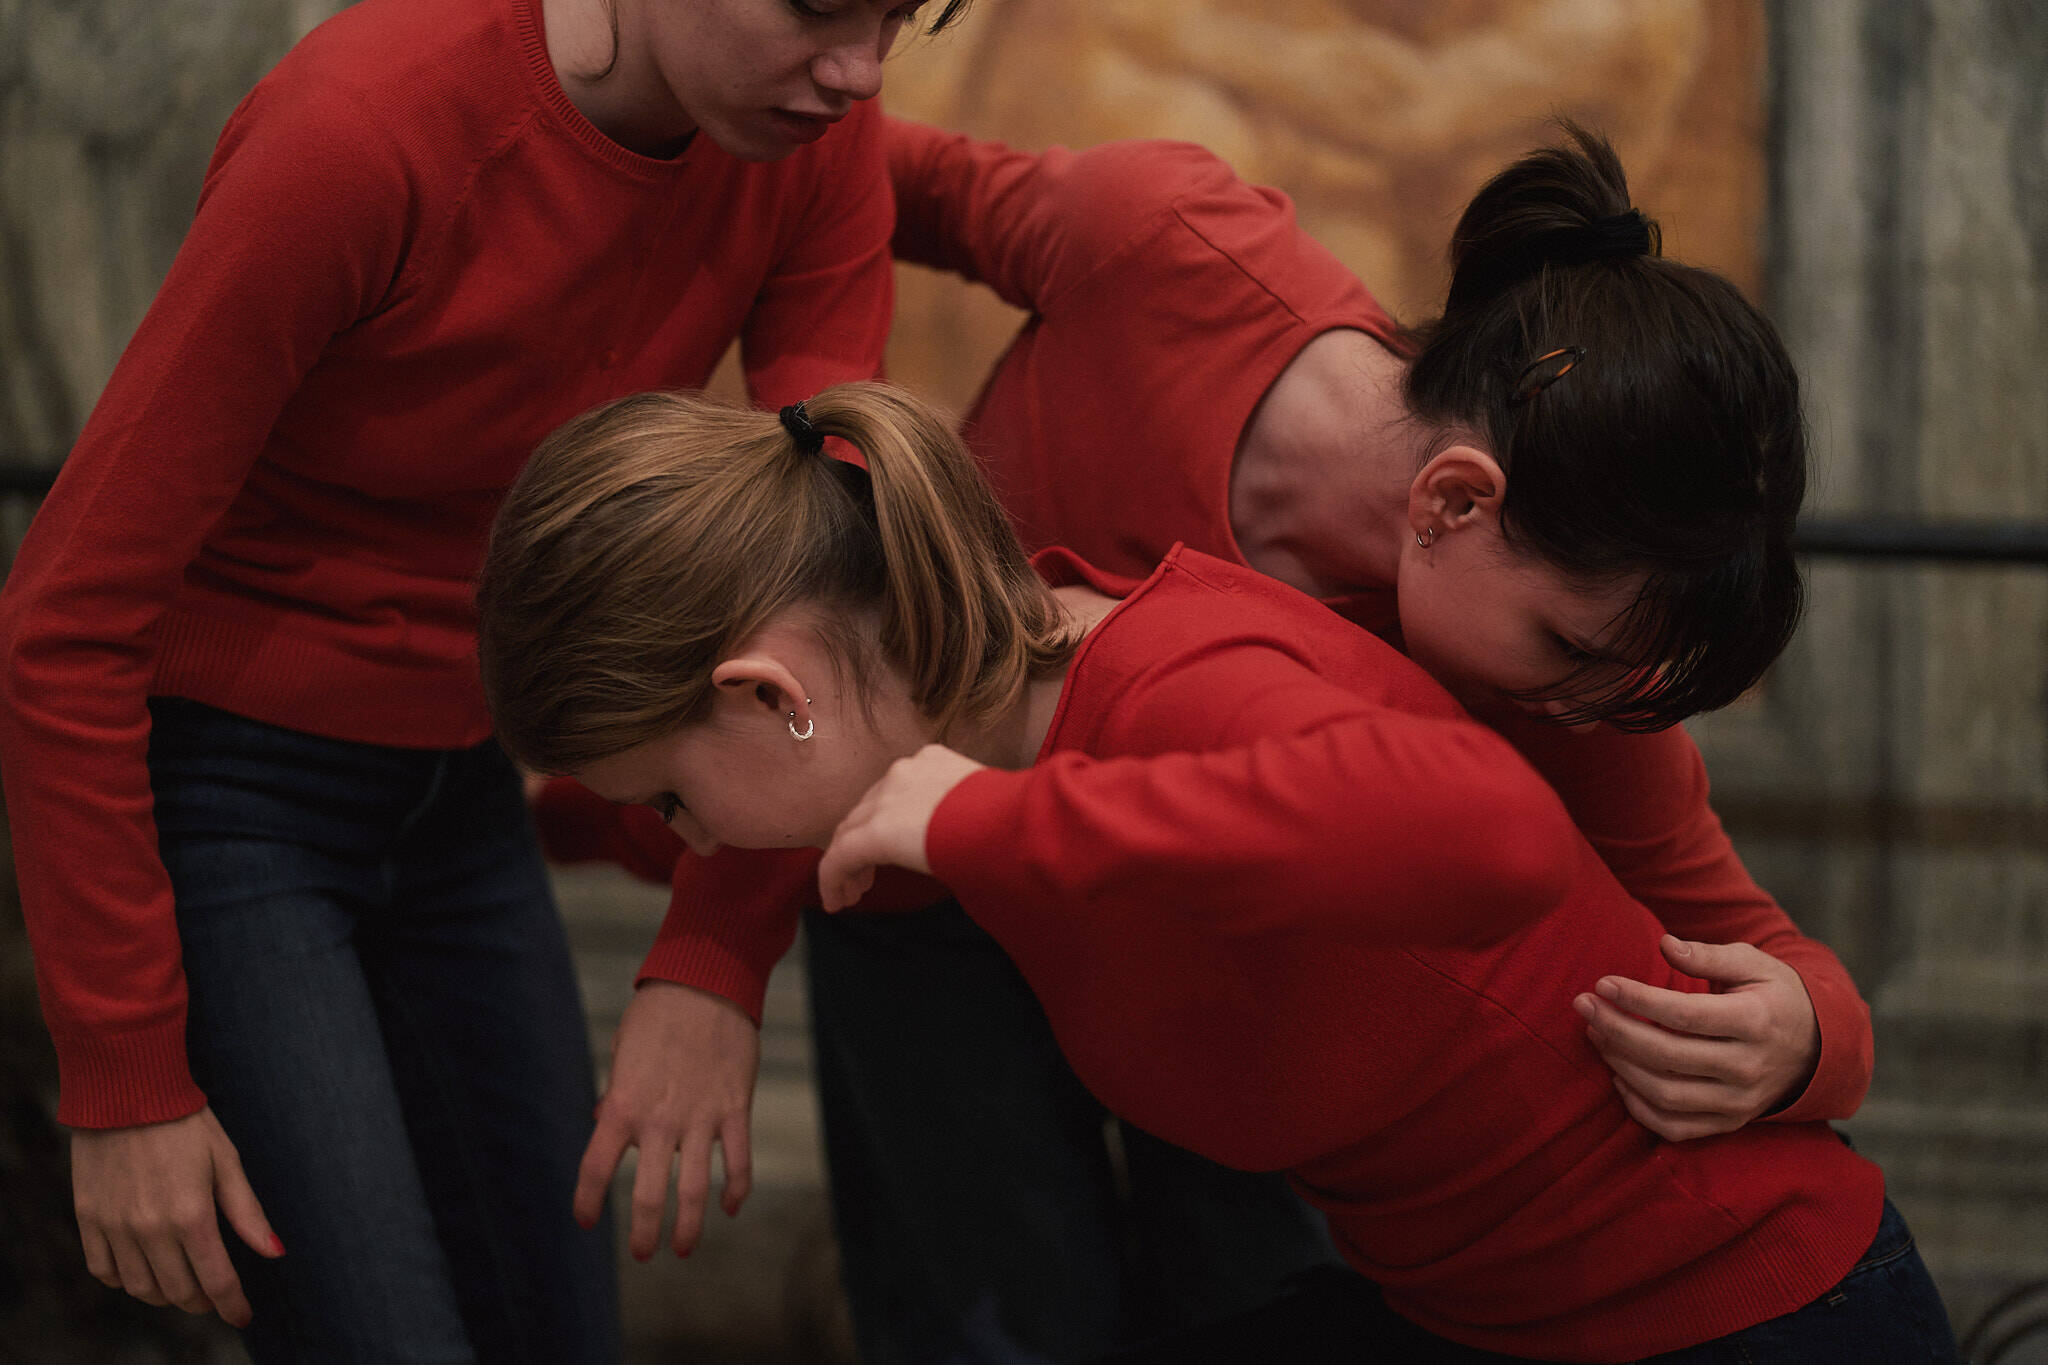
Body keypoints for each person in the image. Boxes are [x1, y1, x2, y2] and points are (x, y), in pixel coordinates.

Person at [538, 122, 1877, 1361]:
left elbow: (1739, 931)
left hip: (1224, 1002)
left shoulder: (1567, 694)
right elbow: (832, 159)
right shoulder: (1168, 244)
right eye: (1573, 654)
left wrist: (1812, 1035)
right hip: (915, 896)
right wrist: (715, 948)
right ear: (1457, 498)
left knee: (1234, 1303)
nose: (1581, 702)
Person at [0, 0, 968, 1359]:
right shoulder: (364, 128)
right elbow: (61, 614)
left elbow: (830, 586)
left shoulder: (813, 142)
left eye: (903, 13)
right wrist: (122, 1079)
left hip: (460, 789)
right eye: (816, 6)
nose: (860, 68)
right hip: (229, 796)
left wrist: (712, 955)